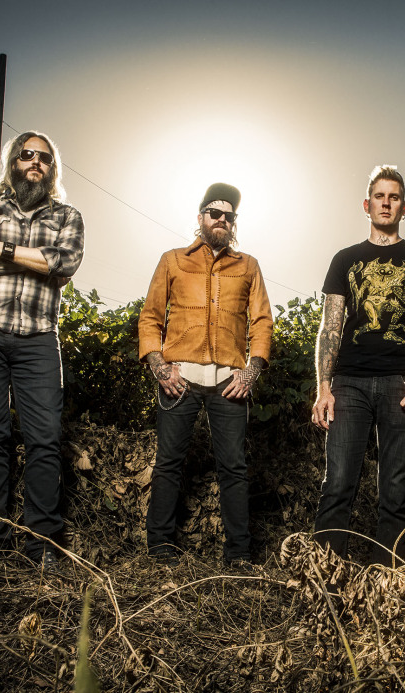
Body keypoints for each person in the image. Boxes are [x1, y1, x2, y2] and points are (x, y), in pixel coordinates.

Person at [311, 165, 405, 566]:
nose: (385, 203)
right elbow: (330, 328)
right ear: (366, 204)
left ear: (404, 207)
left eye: (393, 197)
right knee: (337, 484)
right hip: (349, 384)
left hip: (401, 386)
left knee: (395, 489)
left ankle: (383, 584)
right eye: (379, 196)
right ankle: (323, 580)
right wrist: (324, 386)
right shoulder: (346, 259)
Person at [0, 131, 84, 570]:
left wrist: (2, 247)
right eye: (27, 155)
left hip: (38, 339)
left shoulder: (68, 215)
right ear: (13, 161)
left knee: (45, 442)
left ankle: (41, 545)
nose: (36, 162)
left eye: (45, 158)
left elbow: (64, 264)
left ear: (52, 169)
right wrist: (33, 258)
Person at [138, 183, 273, 565]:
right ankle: (159, 548)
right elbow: (150, 317)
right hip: (177, 379)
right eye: (215, 213)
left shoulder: (248, 265)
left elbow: (262, 321)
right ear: (200, 218)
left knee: (233, 466)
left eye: (229, 216)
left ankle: (239, 554)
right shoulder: (173, 260)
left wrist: (251, 373)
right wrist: (159, 366)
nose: (223, 220)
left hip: (230, 383)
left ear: (234, 224)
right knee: (168, 462)